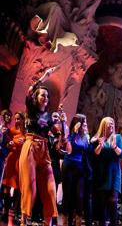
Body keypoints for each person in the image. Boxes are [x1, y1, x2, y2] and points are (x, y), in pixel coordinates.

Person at [18, 85, 62, 226]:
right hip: (30, 146)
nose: (45, 98)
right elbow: (29, 91)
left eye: (47, 96)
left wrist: (63, 123)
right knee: (30, 187)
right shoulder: (31, 111)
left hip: (43, 151)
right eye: (42, 95)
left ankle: (47, 223)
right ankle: (24, 220)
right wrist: (43, 78)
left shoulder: (49, 117)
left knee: (50, 189)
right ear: (36, 98)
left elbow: (58, 135)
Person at [91, 117, 122, 226]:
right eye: (108, 124)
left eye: (112, 123)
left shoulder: (117, 137)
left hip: (114, 174)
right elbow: (95, 155)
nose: (111, 125)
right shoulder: (98, 138)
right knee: (102, 204)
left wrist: (114, 146)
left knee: (113, 201)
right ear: (103, 125)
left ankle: (113, 224)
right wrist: (100, 145)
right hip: (102, 174)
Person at [60, 114, 89, 226]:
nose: (85, 123)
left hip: (80, 168)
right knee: (67, 194)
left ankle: (77, 221)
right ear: (78, 123)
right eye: (83, 121)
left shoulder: (85, 136)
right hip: (69, 166)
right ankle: (65, 220)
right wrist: (74, 134)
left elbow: (86, 151)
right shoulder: (71, 135)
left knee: (79, 195)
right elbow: (69, 150)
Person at [1, 111, 26, 222]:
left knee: (18, 187)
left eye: (18, 119)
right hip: (11, 159)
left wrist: (25, 141)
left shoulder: (26, 132)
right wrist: (9, 144)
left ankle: (15, 213)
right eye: (15, 119)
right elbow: (6, 144)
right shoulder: (11, 131)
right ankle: (5, 212)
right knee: (7, 184)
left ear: (23, 119)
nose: (16, 121)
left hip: (21, 160)